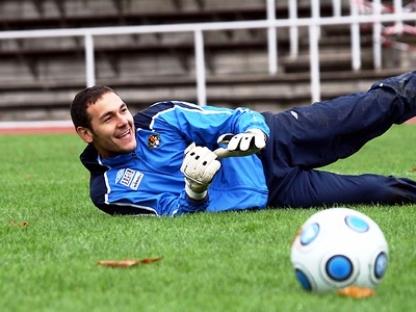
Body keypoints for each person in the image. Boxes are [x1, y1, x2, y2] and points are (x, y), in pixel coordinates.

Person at [70, 71, 416, 216]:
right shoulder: (109, 192)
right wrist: (195, 190)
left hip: (277, 137)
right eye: (108, 119)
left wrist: (255, 132)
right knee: (381, 191)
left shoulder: (162, 118)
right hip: (276, 192)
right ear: (86, 133)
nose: (123, 122)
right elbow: (172, 212)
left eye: (123, 110)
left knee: (373, 109)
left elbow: (235, 117)